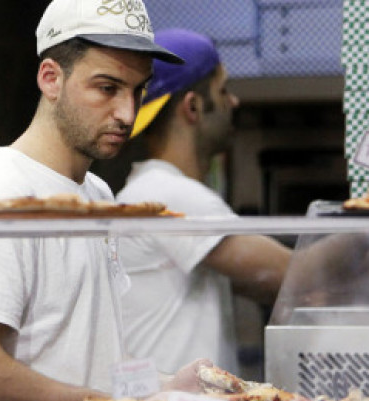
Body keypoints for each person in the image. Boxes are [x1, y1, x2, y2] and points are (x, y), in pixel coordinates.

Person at [0, 0, 208, 401]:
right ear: (50, 78)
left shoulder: (97, 194)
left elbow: (90, 354)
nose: (127, 114)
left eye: (138, 90)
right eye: (107, 88)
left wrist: (167, 387)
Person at [114, 29, 292, 375]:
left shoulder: (151, 189)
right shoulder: (167, 194)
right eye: (223, 90)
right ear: (193, 107)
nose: (234, 102)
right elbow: (290, 274)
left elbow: (255, 279)